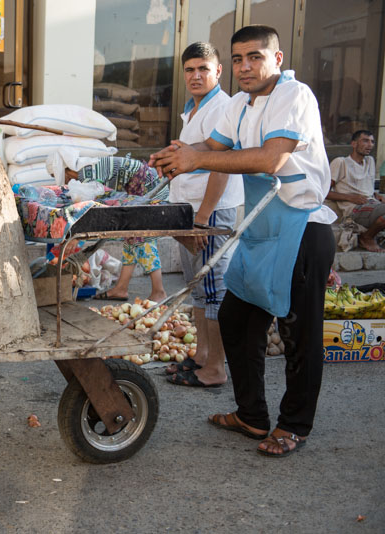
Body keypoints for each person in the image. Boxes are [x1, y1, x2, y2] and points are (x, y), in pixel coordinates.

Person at [150, 25, 336, 457]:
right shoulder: (238, 104)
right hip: (259, 230)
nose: (245, 67)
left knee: (298, 335)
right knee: (236, 322)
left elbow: (272, 158)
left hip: (302, 230)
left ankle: (294, 426)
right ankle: (252, 415)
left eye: (255, 57)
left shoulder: (295, 96)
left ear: (277, 58)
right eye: (238, 59)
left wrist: (197, 158)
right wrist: (176, 155)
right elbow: (213, 145)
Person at [165, 42, 243, 388]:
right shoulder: (193, 110)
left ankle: (216, 368)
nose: (196, 76)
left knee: (215, 292)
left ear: (218, 72)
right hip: (190, 211)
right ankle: (201, 357)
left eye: (203, 69)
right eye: (190, 70)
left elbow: (220, 167)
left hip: (210, 213)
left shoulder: (222, 108)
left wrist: (203, 217)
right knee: (198, 289)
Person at [65, 157, 168, 302]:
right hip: (139, 191)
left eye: (64, 177)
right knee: (131, 238)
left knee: (142, 238)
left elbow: (99, 209)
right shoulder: (89, 173)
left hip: (151, 191)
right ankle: (121, 288)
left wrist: (79, 234)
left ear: (67, 172)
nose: (64, 181)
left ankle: (159, 291)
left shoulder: (89, 176)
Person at [326, 130, 385, 252]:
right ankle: (367, 237)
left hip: (372, 204)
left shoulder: (370, 162)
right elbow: (324, 192)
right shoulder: (341, 162)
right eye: (365, 141)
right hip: (354, 209)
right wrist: (350, 197)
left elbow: (365, 186)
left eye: (372, 142)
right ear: (353, 144)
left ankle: (368, 236)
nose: (370, 145)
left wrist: (376, 194)